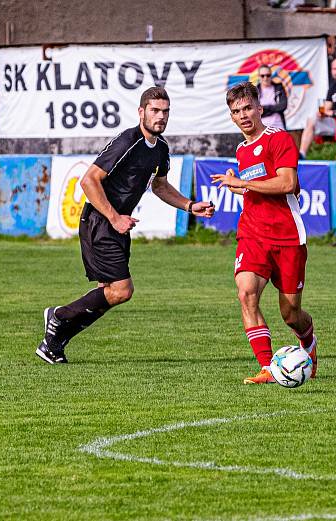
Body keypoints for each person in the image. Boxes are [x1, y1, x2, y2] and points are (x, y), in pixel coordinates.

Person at [35, 86, 215, 364]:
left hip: (116, 224)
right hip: (101, 220)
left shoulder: (161, 148)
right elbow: (88, 180)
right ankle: (59, 316)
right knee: (121, 290)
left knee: (110, 291)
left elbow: (160, 186)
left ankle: (54, 342)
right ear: (141, 112)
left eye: (165, 112)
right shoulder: (127, 141)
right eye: (155, 111)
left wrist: (189, 206)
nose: (161, 117)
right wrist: (114, 217)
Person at [210, 82, 318, 384]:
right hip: (253, 234)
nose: (243, 115)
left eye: (247, 108)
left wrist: (242, 182)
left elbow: (286, 184)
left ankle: (308, 342)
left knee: (291, 313)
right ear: (231, 117)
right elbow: (252, 189)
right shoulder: (241, 150)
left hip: (287, 236)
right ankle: (268, 367)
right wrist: (238, 182)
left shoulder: (279, 139)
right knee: (246, 293)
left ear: (259, 108)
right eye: (236, 111)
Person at [256, 65, 288, 129]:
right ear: (259, 77)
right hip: (261, 128)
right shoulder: (254, 91)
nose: (265, 78)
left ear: (271, 75)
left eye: (268, 75)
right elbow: (255, 111)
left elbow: (283, 106)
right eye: (262, 76)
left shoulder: (279, 87)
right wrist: (274, 107)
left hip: (279, 126)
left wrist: (264, 108)